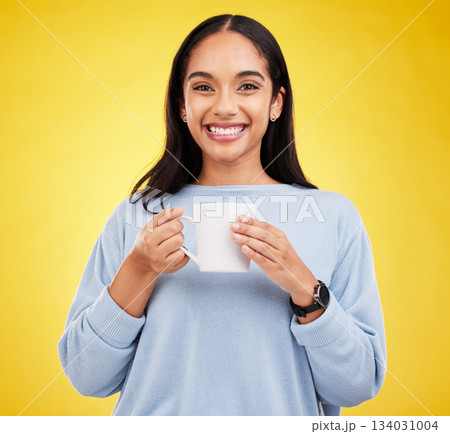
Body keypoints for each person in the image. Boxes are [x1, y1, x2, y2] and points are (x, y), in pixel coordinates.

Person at [58, 14, 386, 416]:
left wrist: (306, 289)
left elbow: (357, 385)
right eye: (203, 87)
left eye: (247, 86)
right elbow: (85, 377)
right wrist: (138, 271)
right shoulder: (136, 216)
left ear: (276, 102)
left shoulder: (333, 218)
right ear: (182, 104)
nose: (224, 106)